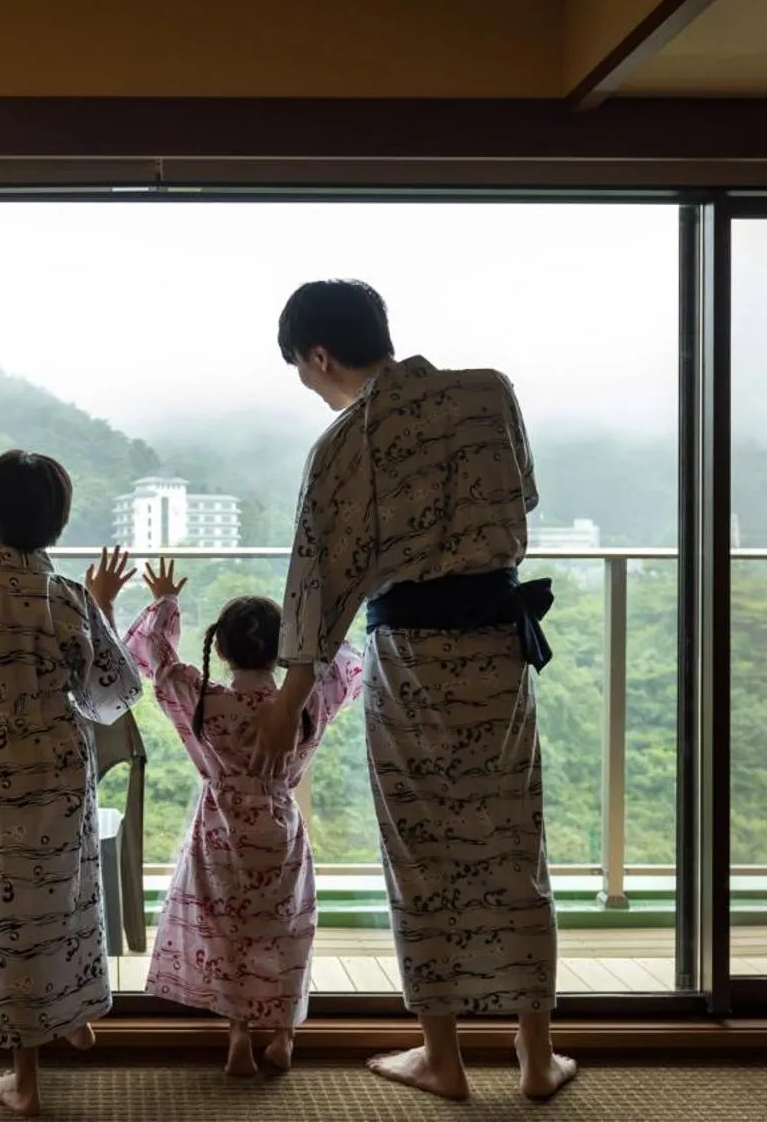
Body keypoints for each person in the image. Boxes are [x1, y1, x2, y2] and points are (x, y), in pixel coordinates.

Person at [246, 279, 576, 1103]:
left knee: (420, 850)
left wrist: (289, 698)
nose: (308, 386)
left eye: (301, 369)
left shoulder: (345, 441)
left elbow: (317, 579)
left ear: (319, 354)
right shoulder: (488, 392)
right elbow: (522, 496)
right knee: (510, 842)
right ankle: (536, 1056)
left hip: (412, 661)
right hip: (498, 650)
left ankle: (444, 1055)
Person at [0, 450, 143, 1117]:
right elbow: (114, 694)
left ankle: (25, 1078)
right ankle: (70, 1013)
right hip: (63, 763)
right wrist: (98, 611)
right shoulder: (70, 594)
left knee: (6, 911)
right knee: (65, 899)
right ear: (58, 525)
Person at [123, 558, 363, 1077]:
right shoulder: (303, 706)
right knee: (284, 930)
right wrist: (315, 624)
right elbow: (346, 669)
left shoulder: (206, 700)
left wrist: (166, 603)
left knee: (228, 931)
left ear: (222, 649)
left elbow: (156, 660)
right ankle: (282, 1037)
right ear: (282, 654)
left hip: (220, 833)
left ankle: (236, 1038)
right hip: (280, 830)